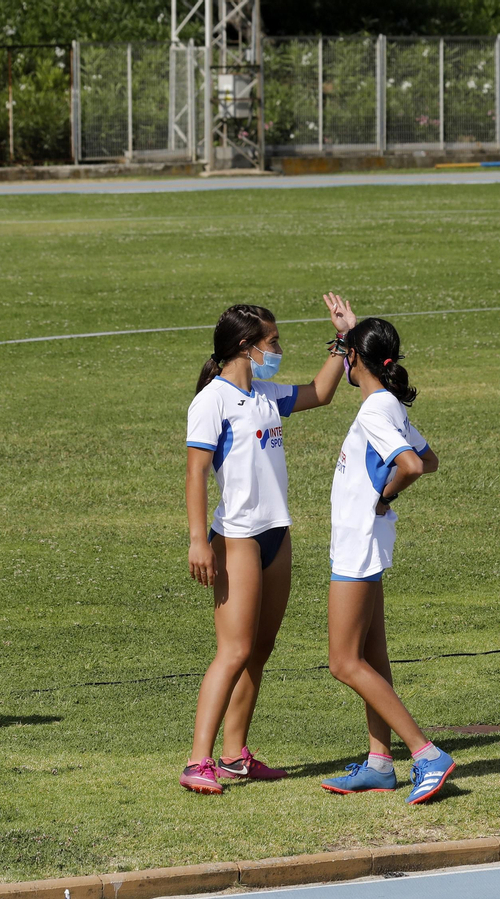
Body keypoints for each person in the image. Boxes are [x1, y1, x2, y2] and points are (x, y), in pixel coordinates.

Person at [180, 294, 358, 794]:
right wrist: (198, 541)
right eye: (272, 342)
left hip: (277, 537)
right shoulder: (210, 401)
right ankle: (198, 761)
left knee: (259, 649)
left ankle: (234, 755)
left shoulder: (265, 393)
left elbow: (321, 393)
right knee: (232, 651)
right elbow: (195, 475)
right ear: (246, 345)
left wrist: (344, 340)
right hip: (235, 540)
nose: (277, 349)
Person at [315, 318, 450, 805]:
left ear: (352, 359)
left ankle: (426, 753)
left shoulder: (375, 409)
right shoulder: (390, 404)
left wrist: (382, 496)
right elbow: (429, 457)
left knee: (342, 661)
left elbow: (413, 465)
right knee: (372, 657)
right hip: (368, 542)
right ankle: (379, 763)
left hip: (357, 544)